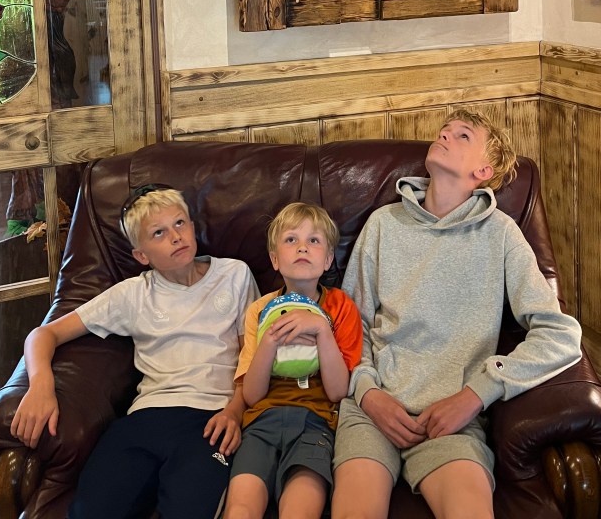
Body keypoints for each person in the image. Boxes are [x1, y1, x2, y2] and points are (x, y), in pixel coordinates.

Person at [331, 108, 582, 519]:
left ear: (483, 171)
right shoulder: (383, 224)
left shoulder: (501, 234)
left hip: (452, 421)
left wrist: (476, 394)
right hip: (374, 410)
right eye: (444, 129)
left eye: (462, 135)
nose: (445, 134)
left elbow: (561, 335)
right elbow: (349, 322)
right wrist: (368, 392)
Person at [10, 184, 258, 519]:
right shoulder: (132, 294)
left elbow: (250, 356)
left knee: (191, 509)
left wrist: (235, 411)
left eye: (179, 223)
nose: (176, 237)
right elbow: (43, 334)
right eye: (159, 232)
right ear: (142, 256)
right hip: (145, 418)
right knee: (92, 510)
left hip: (210, 418)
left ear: (192, 225)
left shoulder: (235, 274)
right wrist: (41, 386)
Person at [224, 203, 363, 519]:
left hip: (316, 423)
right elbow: (252, 395)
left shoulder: (342, 307)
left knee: (300, 510)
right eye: (291, 240)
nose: (302, 247)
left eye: (314, 240)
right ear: (275, 259)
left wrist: (321, 330)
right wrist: (270, 340)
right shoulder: (259, 310)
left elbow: (338, 391)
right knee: (240, 510)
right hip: (261, 422)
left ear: (328, 259)